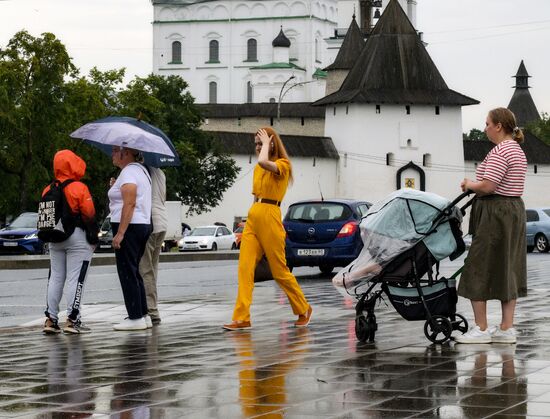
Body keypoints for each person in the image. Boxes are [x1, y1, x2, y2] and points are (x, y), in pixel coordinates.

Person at [223, 127, 313, 331]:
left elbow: (264, 162)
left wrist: (266, 144)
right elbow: (256, 196)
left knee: (280, 270)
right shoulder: (258, 168)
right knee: (245, 269)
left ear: (272, 143)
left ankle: (304, 308)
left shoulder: (283, 164)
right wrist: (247, 222)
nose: (257, 147)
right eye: (255, 143)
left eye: (260, 143)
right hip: (255, 216)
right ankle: (242, 317)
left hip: (272, 215)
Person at [455, 108, 527, 344]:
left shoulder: (500, 151)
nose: (484, 128)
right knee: (508, 266)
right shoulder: (516, 149)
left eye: (487, 124)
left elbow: (488, 186)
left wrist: (469, 184)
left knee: (478, 265)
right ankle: (506, 329)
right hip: (513, 211)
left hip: (495, 212)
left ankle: (481, 328)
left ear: (498, 126)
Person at [42, 149, 98, 334]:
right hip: (77, 239)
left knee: (55, 278)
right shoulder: (79, 188)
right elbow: (89, 215)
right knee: (76, 278)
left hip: (54, 238)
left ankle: (51, 320)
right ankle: (73, 320)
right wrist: (93, 238)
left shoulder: (48, 189)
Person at [109, 146, 152, 331]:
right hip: (142, 224)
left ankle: (135, 317)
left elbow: (130, 201)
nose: (112, 155)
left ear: (124, 153)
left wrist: (120, 233)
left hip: (130, 226)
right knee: (134, 271)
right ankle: (143, 314)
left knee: (127, 272)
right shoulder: (141, 170)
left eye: (114, 151)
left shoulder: (128, 172)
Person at [138, 166, 167, 325]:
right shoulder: (160, 172)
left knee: (145, 269)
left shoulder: (141, 171)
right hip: (162, 221)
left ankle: (151, 310)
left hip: (149, 222)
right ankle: (151, 306)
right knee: (152, 268)